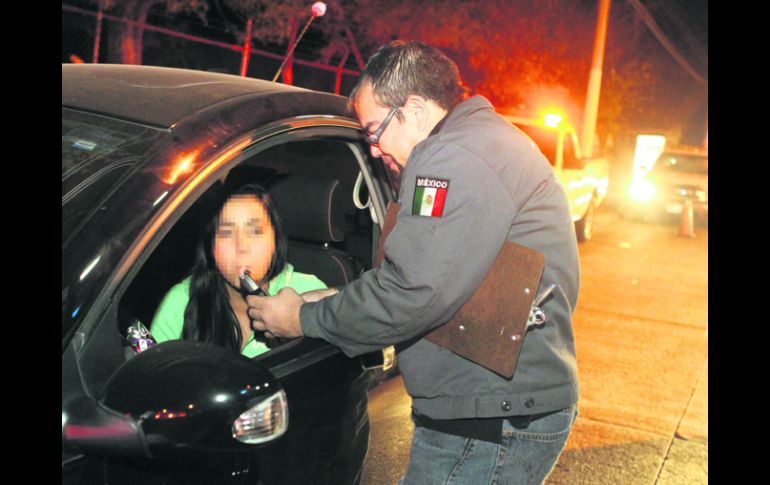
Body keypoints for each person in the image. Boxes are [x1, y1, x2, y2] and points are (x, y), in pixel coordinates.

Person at [248, 40, 580, 484]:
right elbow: (438, 278)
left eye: (372, 131)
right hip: (498, 408)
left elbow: (413, 292)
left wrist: (300, 318)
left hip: (487, 421)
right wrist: (333, 297)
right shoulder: (477, 144)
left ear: (416, 110)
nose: (372, 150)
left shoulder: (450, 159)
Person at [150, 182, 327, 358]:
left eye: (255, 231)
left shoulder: (306, 293)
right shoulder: (181, 300)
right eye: (226, 233)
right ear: (211, 247)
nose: (241, 246)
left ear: (275, 241)